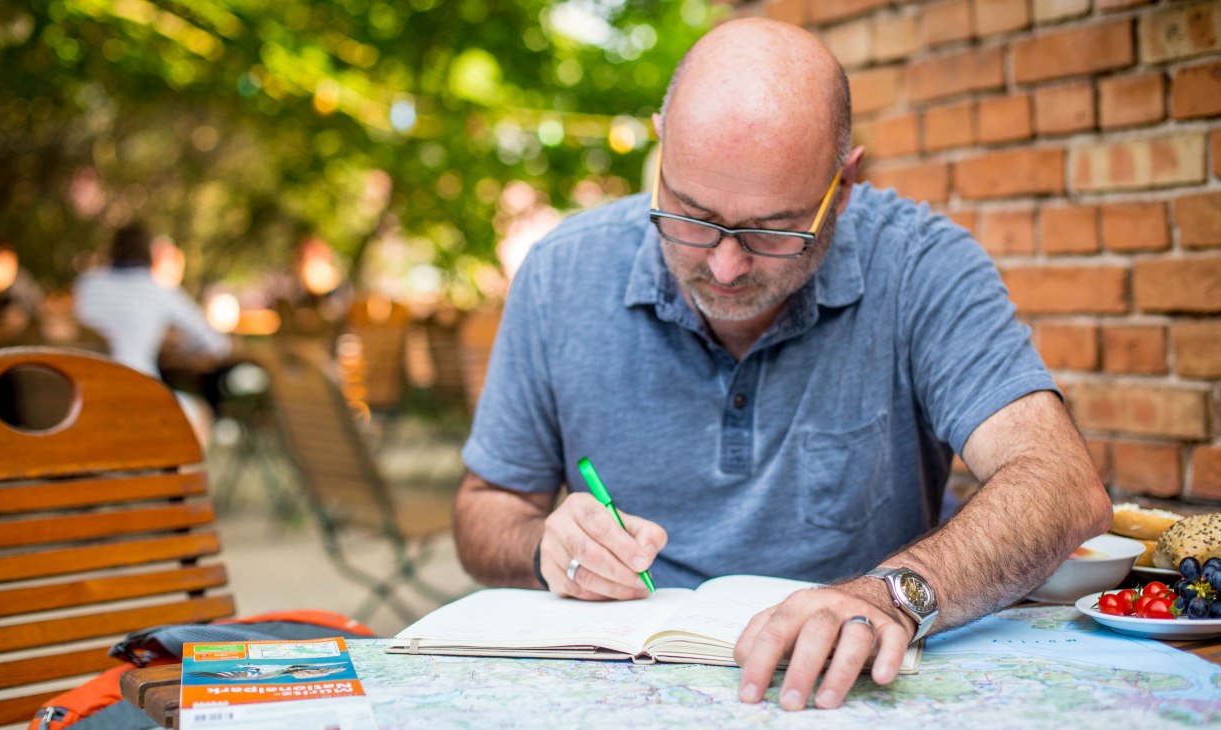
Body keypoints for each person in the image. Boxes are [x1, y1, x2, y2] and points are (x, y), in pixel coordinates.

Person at [452, 18, 1111, 712]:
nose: (724, 265)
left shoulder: (921, 265)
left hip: (850, 692)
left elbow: (1062, 483)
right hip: (622, 688)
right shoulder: (563, 273)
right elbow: (484, 510)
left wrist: (892, 594)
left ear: (845, 185)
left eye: (772, 231)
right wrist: (544, 548)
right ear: (660, 145)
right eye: (692, 214)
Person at [73, 222, 232, 444]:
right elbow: (217, 344)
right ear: (148, 253)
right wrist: (184, 350)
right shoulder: (157, 289)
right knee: (200, 412)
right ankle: (188, 478)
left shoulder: (88, 285)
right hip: (142, 395)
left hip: (86, 398)